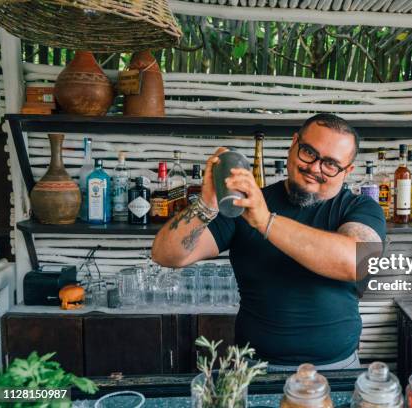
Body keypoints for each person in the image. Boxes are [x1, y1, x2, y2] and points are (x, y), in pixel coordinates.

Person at [152, 113, 386, 370]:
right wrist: (206, 204)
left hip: (337, 369)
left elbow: (357, 263)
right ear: (294, 143)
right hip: (254, 370)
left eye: (331, 164)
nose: (315, 168)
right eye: (308, 152)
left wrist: (266, 221)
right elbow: (167, 255)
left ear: (348, 170)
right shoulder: (247, 203)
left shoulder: (360, 208)